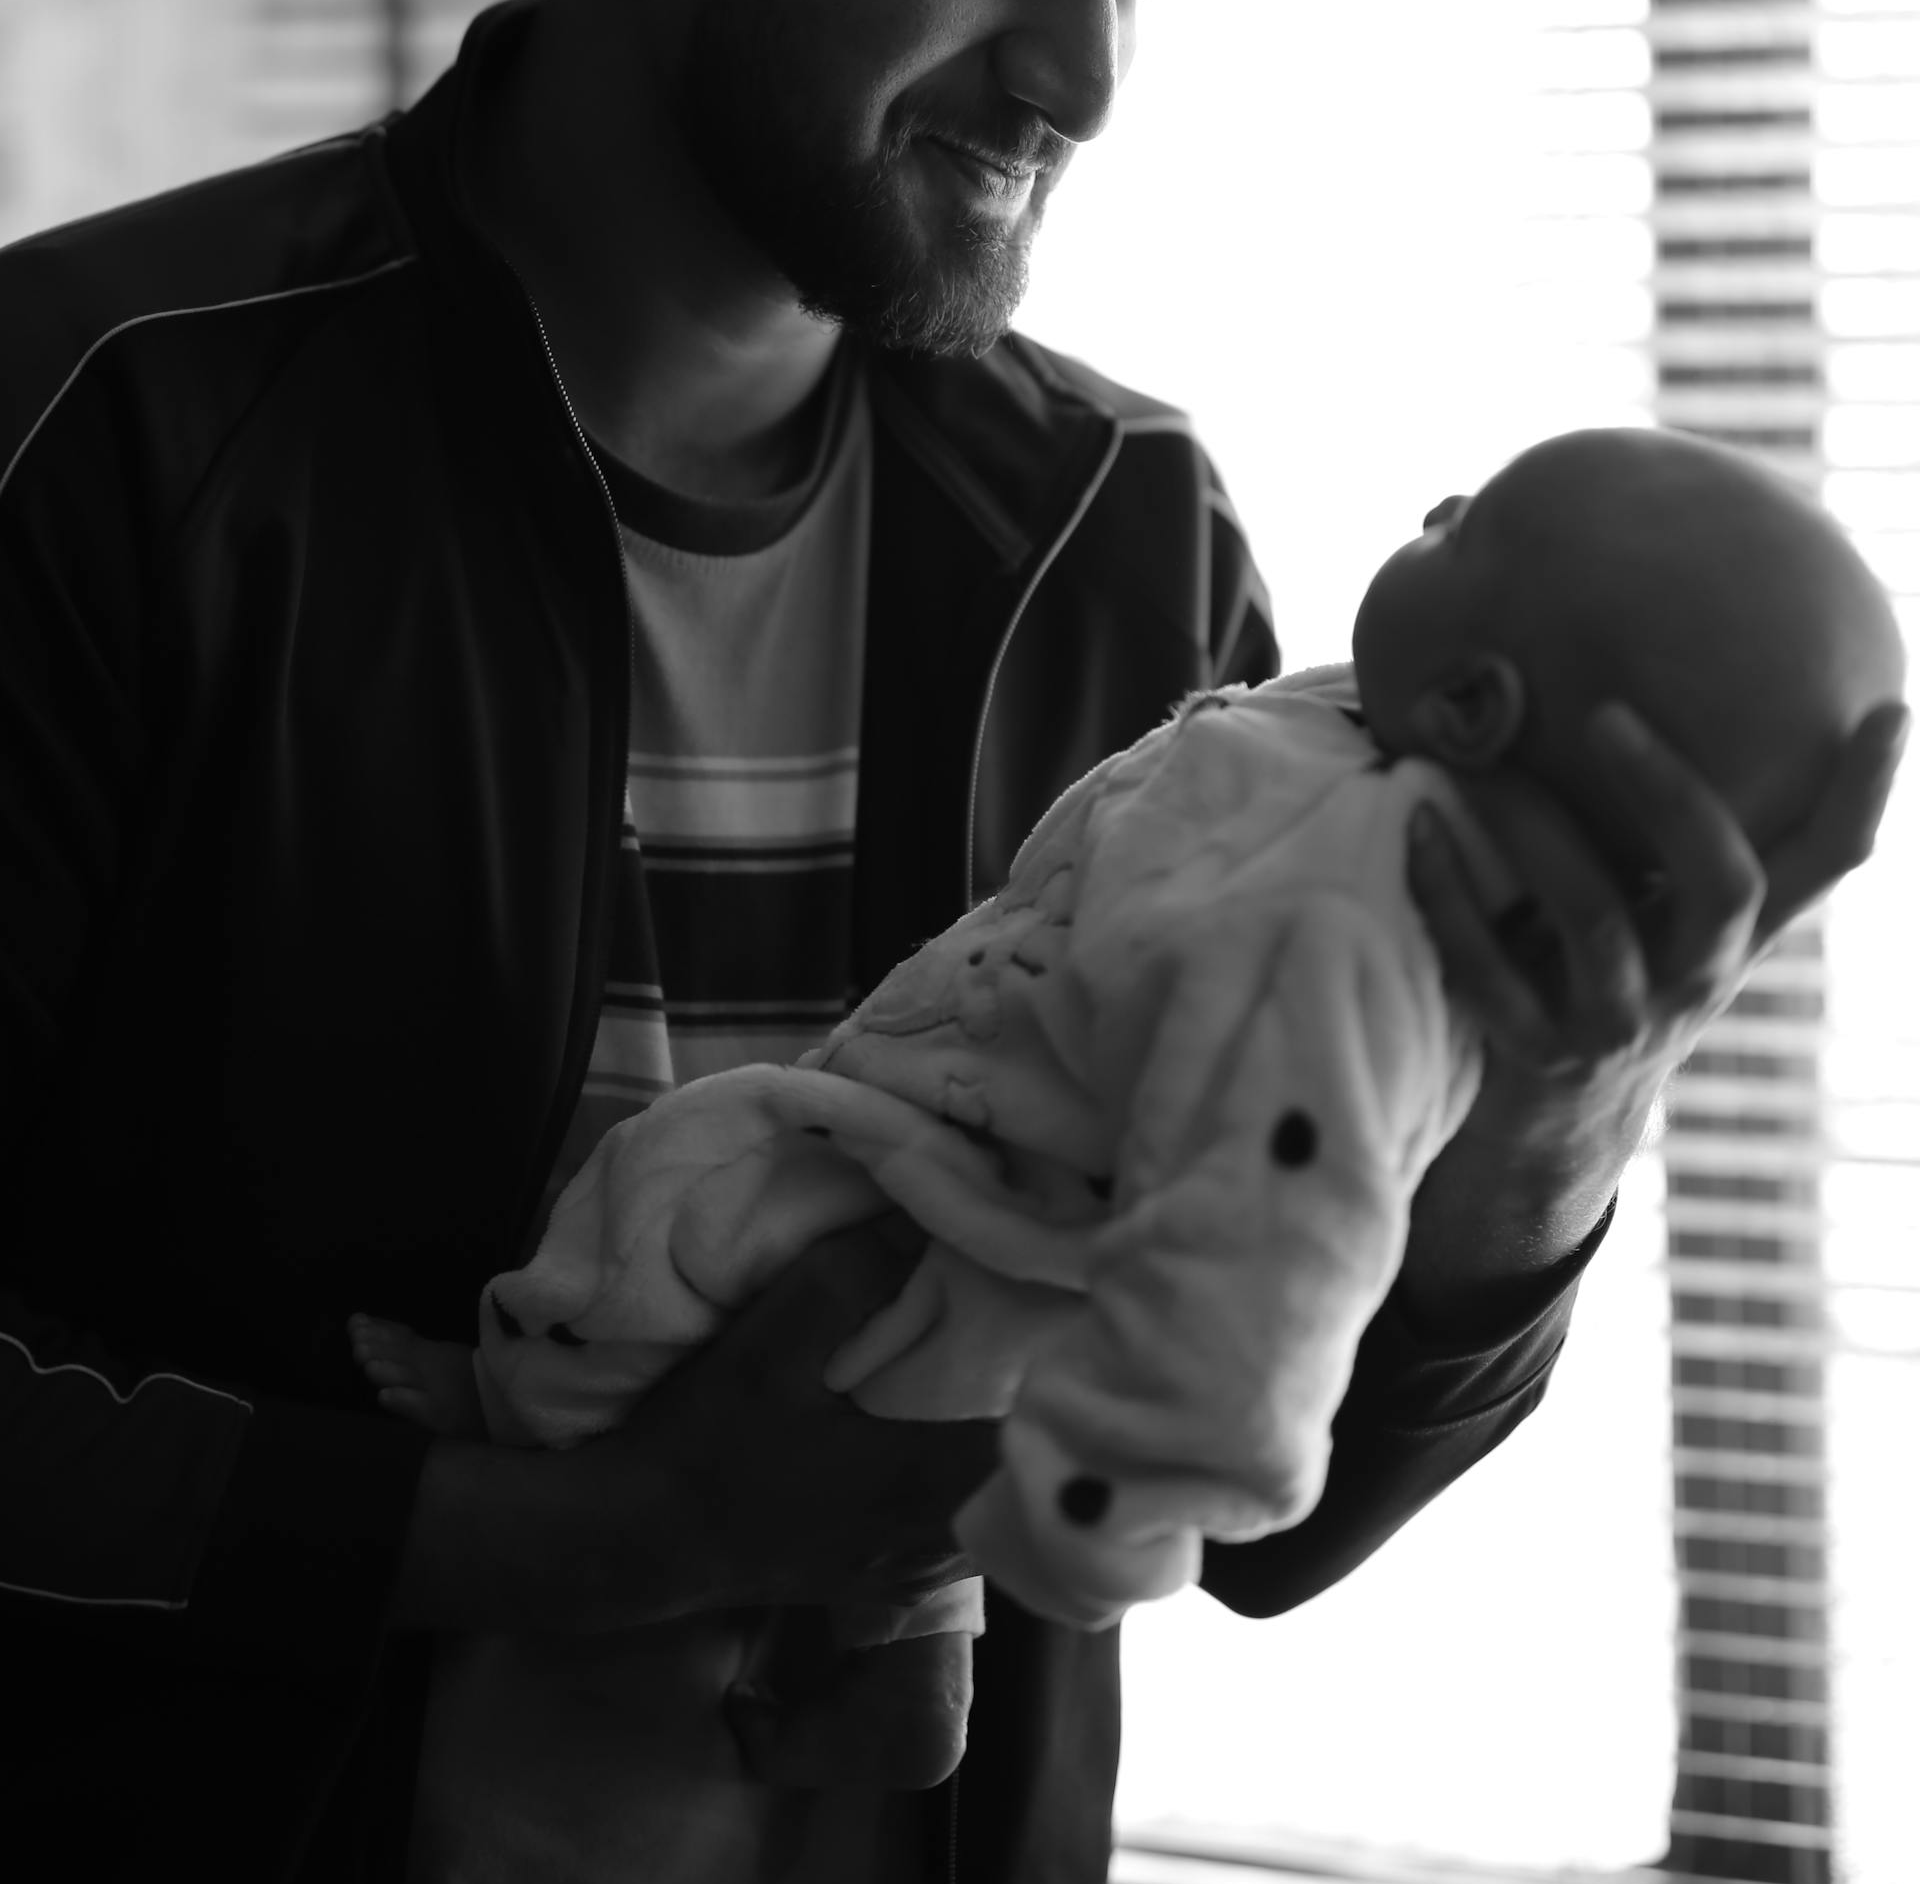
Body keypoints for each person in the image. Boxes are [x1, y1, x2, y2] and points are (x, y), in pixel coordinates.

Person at [0, 0, 1903, 1884]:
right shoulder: (100, 443)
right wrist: (573, 1532)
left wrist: (1556, 1127)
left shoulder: (1137, 552)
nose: (1090, 74)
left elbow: (1257, 1502)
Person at [352, 423, 1905, 1794]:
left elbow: (1281, 1256)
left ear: (1482, 706)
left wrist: (1561, 1111)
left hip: (979, 1201)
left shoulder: (1292, 800)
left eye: (1467, 524)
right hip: (341, 1833)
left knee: (686, 1198)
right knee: (914, 1368)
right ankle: (898, 1675)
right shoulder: (1345, 733)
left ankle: (531, 1394)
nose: (1432, 503)